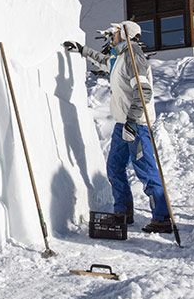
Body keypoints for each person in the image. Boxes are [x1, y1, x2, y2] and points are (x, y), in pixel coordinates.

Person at [64, 21, 171, 233]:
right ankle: (123, 212)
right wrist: (83, 50)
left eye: (116, 32)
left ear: (125, 34)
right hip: (122, 124)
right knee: (114, 167)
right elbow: (105, 62)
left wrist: (132, 121)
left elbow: (144, 92)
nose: (112, 34)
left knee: (146, 171)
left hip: (137, 125)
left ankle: (162, 218)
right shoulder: (119, 57)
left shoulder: (134, 57)